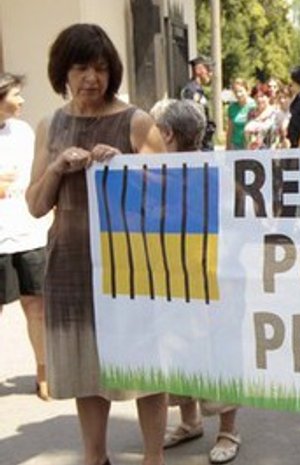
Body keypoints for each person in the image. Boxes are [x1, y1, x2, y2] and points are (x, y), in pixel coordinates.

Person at [26, 23, 168, 465]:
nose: (92, 78)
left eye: (101, 68)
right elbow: (35, 205)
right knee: (84, 364)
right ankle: (94, 456)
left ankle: (154, 457)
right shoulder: (51, 124)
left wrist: (125, 167)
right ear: (63, 72)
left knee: (146, 364)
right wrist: (57, 168)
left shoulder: (136, 121)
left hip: (131, 262)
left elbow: (170, 193)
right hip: (70, 260)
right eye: (81, 68)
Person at [150, 98, 244, 464]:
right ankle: (189, 420)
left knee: (220, 350)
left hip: (215, 277)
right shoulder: (155, 170)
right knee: (177, 345)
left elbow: (240, 221)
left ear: (167, 133)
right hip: (174, 276)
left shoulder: (215, 171)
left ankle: (228, 429)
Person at [0, 73, 53, 401]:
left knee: (36, 307)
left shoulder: (23, 131)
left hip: (29, 233)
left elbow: (39, 174)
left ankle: (43, 373)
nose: (21, 100)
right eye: (15, 95)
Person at [181, 56, 215, 150]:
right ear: (198, 70)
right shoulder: (192, 91)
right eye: (208, 69)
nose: (211, 73)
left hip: (204, 140)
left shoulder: (197, 90)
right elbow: (193, 119)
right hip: (200, 142)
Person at [243, 83, 284, 150]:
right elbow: (247, 137)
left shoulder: (276, 113)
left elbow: (283, 135)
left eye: (262, 96)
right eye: (256, 97)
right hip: (253, 153)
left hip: (272, 152)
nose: (259, 99)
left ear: (268, 97)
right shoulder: (251, 113)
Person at [225, 78, 254, 151]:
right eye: (235, 92)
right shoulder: (232, 108)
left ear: (247, 90)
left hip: (250, 145)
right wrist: (228, 147)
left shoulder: (253, 105)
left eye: (240, 91)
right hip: (235, 144)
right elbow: (230, 129)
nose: (238, 94)